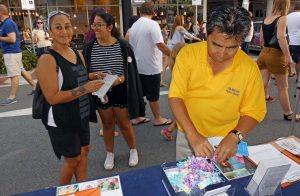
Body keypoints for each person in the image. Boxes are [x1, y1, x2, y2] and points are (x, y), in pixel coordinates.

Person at [168, 5, 266, 162]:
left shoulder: (249, 68)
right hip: (188, 133)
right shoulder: (188, 54)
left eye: (232, 48)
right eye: (216, 45)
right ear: (207, 35)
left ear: (241, 41)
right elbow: (176, 96)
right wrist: (192, 135)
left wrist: (235, 136)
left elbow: (254, 111)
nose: (222, 54)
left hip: (226, 139)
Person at [36, 10, 103, 185]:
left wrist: (92, 76)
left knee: (85, 151)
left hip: (80, 113)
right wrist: (84, 88)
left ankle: (82, 188)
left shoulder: (77, 53)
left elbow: (78, 76)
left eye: (67, 26)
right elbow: (52, 97)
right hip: (61, 118)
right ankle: (63, 191)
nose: (64, 31)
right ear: (49, 32)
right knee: (72, 159)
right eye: (58, 27)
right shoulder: (47, 59)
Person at [82, 12, 144, 170]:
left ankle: (133, 150)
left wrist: (120, 79)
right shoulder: (89, 47)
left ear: (109, 27)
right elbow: (85, 73)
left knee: (124, 123)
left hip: (120, 88)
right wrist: (94, 75)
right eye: (94, 24)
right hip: (100, 90)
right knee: (107, 124)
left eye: (99, 24)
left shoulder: (122, 45)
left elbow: (129, 72)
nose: (95, 28)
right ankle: (110, 153)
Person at [129, 1, 172, 126]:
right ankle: (158, 118)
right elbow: (160, 45)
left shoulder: (134, 26)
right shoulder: (153, 24)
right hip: (151, 66)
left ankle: (136, 116)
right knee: (153, 95)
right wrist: (174, 55)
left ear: (140, 12)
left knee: (138, 93)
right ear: (153, 12)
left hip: (137, 66)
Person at [257, 0, 300, 121]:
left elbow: (262, 39)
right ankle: (288, 113)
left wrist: (265, 51)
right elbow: (281, 37)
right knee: (283, 88)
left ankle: (247, 108)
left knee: (261, 85)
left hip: (264, 53)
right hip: (276, 55)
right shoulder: (282, 18)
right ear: (286, 5)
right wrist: (287, 56)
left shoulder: (266, 18)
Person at [0, 4, 36, 106]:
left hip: (11, 52)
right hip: (13, 52)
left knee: (13, 75)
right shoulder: (5, 23)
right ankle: (34, 86)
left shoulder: (8, 24)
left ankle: (12, 97)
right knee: (21, 71)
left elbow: (12, 39)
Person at [161, 42, 186, 141]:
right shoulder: (184, 65)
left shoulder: (174, 64)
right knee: (185, 114)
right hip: (185, 94)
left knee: (183, 114)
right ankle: (169, 130)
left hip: (178, 95)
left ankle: (168, 130)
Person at [287, 2, 300, 79]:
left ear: (294, 8)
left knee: (286, 59)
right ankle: (298, 78)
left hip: (288, 41)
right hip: (298, 41)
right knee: (298, 61)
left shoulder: (287, 16)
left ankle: (287, 74)